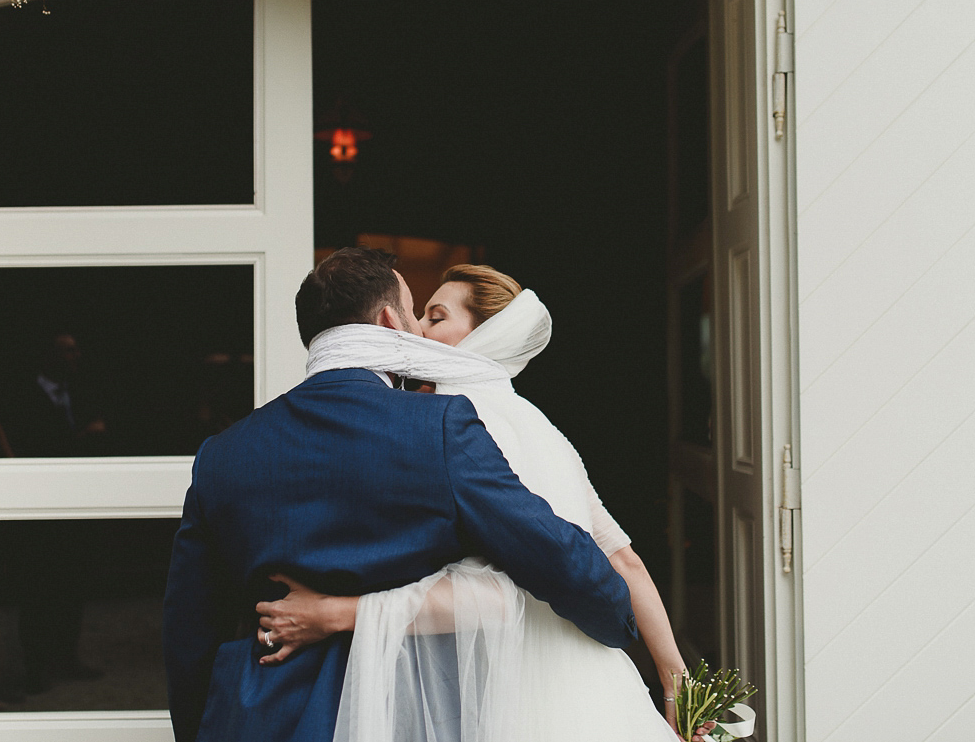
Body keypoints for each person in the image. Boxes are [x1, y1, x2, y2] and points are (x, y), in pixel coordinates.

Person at [162, 248, 639, 742]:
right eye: (414, 313)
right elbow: (548, 549)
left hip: (259, 717)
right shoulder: (439, 428)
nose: (419, 326)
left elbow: (190, 629)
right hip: (408, 714)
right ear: (390, 320)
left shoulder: (222, 454)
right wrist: (615, 615)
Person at [256, 264, 713, 742]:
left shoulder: (462, 425)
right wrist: (676, 684)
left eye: (435, 317)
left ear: (487, 334)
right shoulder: (543, 428)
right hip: (598, 681)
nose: (415, 330)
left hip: (525, 695)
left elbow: (495, 596)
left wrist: (333, 613)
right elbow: (624, 560)